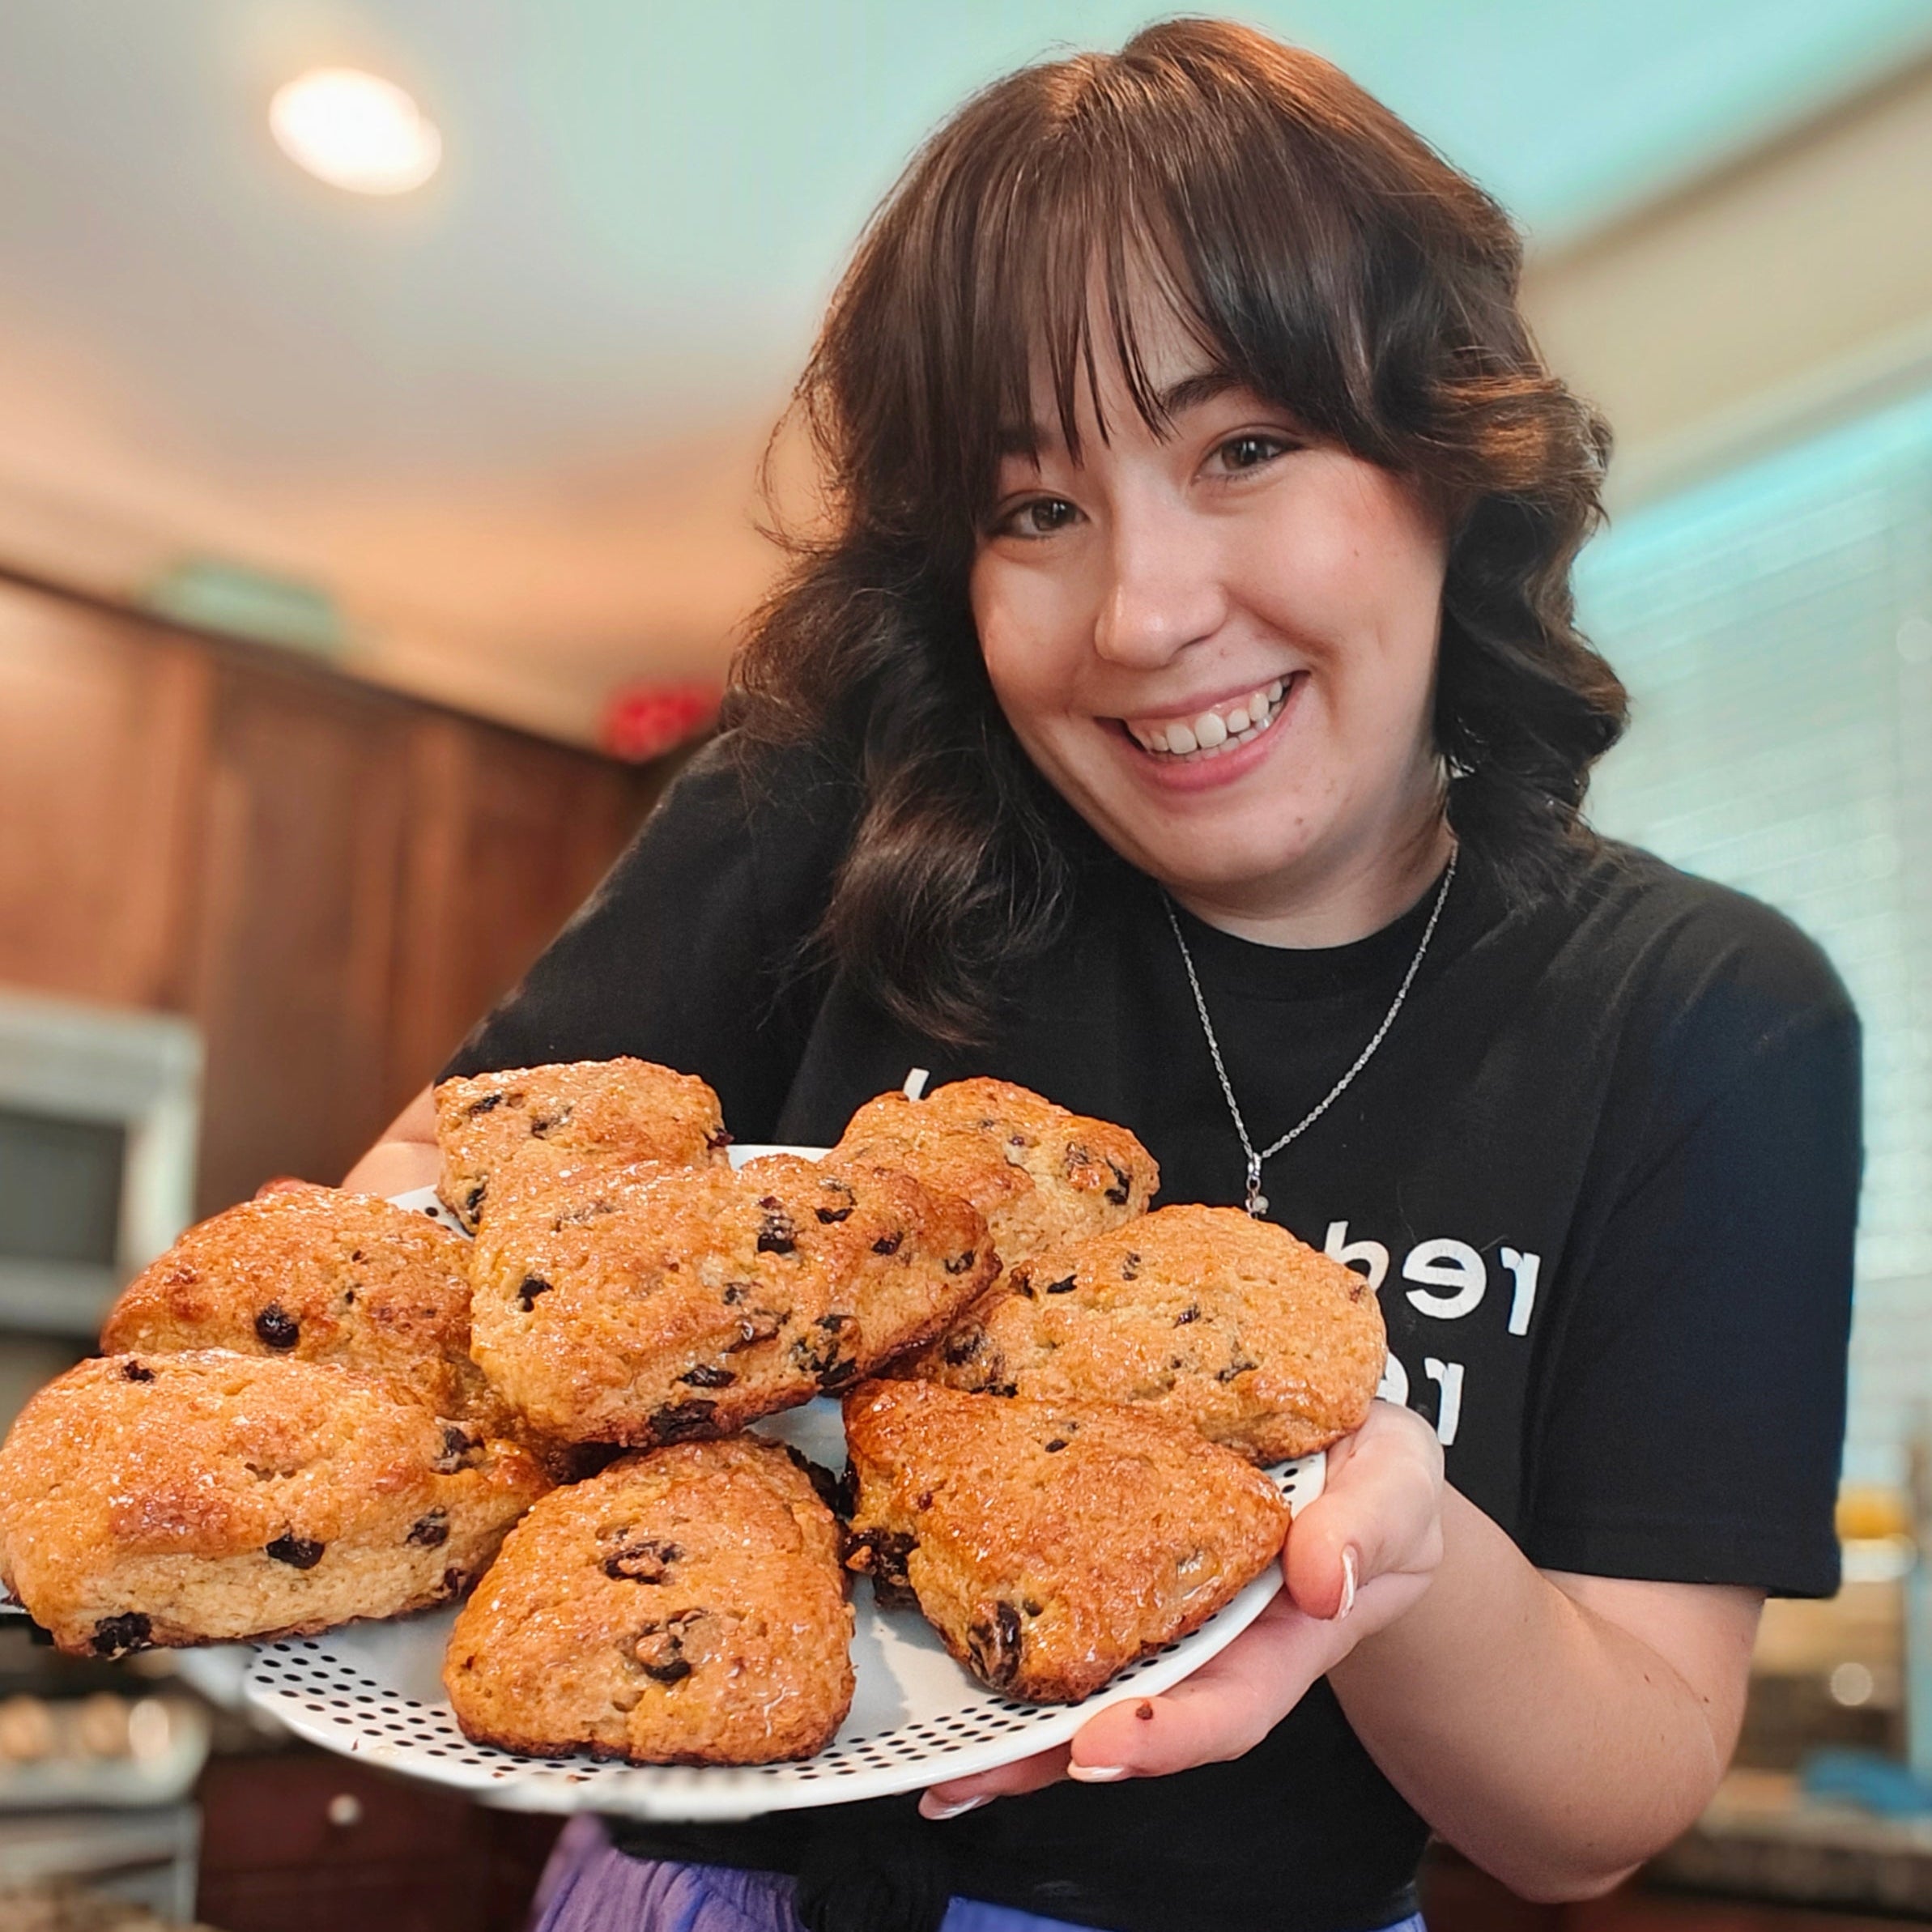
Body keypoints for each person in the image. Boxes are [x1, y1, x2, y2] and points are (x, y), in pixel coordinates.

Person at [346, 20, 1860, 1932]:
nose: (1143, 616)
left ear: (1442, 458)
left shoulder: (1702, 1011)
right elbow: (410, 1230)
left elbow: (1602, 1810)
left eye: (1243, 445)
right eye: (1033, 507)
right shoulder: (831, 805)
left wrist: (1383, 1562)